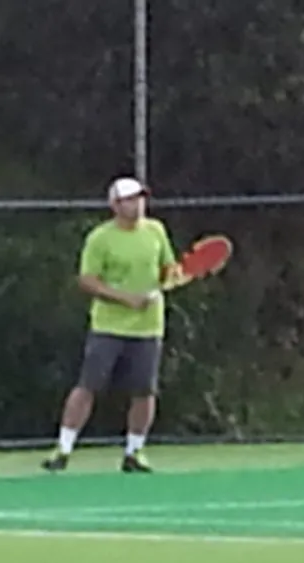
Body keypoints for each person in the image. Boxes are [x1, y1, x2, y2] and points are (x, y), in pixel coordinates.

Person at [43, 176, 178, 473]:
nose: (138, 204)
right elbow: (88, 280)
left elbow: (168, 268)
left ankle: (134, 453)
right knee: (88, 386)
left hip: (149, 328)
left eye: (141, 198)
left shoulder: (156, 231)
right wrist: (125, 298)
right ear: (115, 205)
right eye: (130, 199)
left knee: (144, 391)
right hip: (107, 327)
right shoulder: (100, 238)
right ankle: (62, 450)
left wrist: (173, 277)